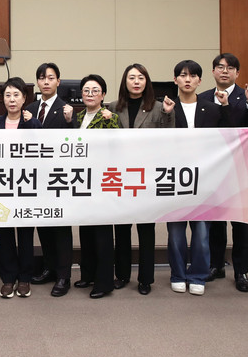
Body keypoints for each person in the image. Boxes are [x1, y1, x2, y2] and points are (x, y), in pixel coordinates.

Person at [106, 64, 175, 295]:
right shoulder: (113, 107)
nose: (136, 82)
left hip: (146, 177)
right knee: (121, 229)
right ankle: (122, 275)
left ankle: (145, 279)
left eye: (141, 78)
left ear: (147, 82)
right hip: (120, 176)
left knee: (146, 229)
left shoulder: (159, 108)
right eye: (132, 78)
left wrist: (168, 114)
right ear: (125, 81)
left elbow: (169, 139)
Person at [198, 53, 248, 292]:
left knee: (241, 222)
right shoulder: (203, 97)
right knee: (215, 220)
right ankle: (216, 265)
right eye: (220, 67)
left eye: (230, 68)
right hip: (213, 169)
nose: (225, 71)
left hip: (240, 169)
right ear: (213, 71)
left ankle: (241, 271)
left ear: (237, 73)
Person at [168, 59, 230, 296]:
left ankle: (198, 275)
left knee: (202, 233)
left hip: (204, 178)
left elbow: (228, 136)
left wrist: (226, 107)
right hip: (174, 178)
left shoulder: (212, 108)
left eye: (193, 76)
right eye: (183, 75)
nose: (187, 80)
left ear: (200, 80)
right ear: (175, 79)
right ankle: (177, 274)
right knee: (176, 233)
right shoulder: (168, 108)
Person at [25, 62, 76, 297]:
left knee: (61, 228)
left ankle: (64, 276)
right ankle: (49, 268)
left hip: (58, 177)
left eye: (51, 78)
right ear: (37, 81)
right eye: (42, 78)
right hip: (35, 178)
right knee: (43, 225)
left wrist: (70, 122)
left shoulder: (67, 109)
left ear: (58, 81)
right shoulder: (30, 108)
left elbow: (76, 144)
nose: (46, 82)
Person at [0, 77, 41, 299]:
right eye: (7, 95)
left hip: (25, 185)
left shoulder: (33, 123)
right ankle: (8, 278)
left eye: (16, 95)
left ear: (24, 99)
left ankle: (25, 278)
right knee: (4, 234)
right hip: (1, 184)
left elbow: (41, 150)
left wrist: (31, 123)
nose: (11, 100)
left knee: (25, 234)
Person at [74, 74, 120, 299]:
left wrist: (110, 121)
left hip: (102, 180)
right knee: (86, 231)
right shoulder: (78, 116)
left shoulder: (110, 117)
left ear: (103, 95)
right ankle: (88, 275)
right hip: (82, 179)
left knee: (102, 234)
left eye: (95, 91)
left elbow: (117, 145)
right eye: (86, 90)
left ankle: (104, 282)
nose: (90, 94)